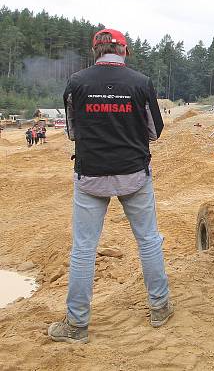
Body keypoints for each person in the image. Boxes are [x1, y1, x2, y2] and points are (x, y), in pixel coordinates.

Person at [48, 28, 172, 344]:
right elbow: (155, 131)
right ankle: (159, 308)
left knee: (84, 249)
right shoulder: (141, 83)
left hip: (90, 175)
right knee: (148, 240)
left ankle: (77, 326)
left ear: (96, 51)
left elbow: (73, 132)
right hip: (133, 173)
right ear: (124, 50)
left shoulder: (77, 83)